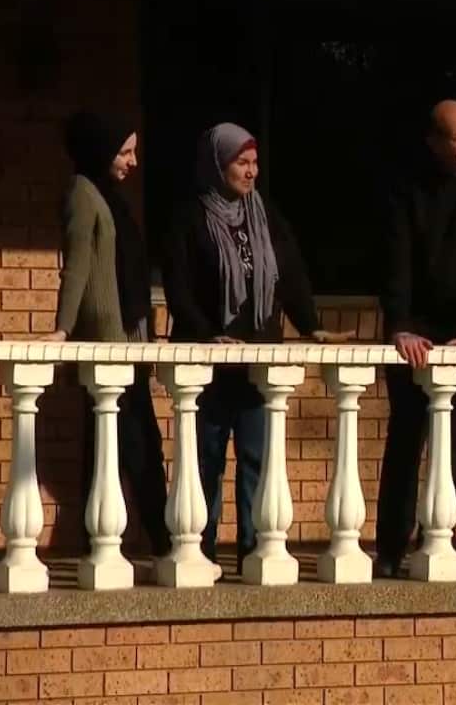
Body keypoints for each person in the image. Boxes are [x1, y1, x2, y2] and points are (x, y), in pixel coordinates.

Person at [163, 122, 350, 574]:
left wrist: (310, 327)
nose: (251, 173)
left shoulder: (262, 214)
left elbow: (289, 274)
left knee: (257, 458)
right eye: (241, 163)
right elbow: (179, 288)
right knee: (205, 460)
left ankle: (253, 553)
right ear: (216, 164)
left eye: (254, 163)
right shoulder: (190, 217)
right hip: (209, 362)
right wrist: (208, 334)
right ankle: (200, 554)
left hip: (257, 362)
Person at [374, 100, 456, 578]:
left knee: (454, 440)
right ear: (434, 142)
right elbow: (396, 256)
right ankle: (390, 548)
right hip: (416, 327)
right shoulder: (406, 180)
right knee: (406, 436)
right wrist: (401, 325)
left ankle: (437, 539)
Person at [43, 111, 172, 563]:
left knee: (127, 440)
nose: (132, 161)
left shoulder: (109, 197)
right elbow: (76, 265)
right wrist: (62, 328)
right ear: (100, 151)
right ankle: (158, 542)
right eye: (125, 151)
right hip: (108, 340)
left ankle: (145, 539)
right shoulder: (84, 195)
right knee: (126, 440)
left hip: (127, 336)